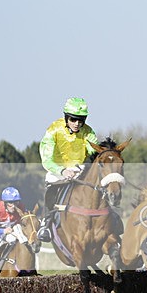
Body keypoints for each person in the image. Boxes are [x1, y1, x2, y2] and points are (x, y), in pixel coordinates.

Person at [37, 97, 99, 241]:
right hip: (57, 171)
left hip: (80, 169)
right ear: (66, 117)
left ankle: (111, 216)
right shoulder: (53, 130)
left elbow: (93, 151)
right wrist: (62, 171)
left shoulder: (88, 132)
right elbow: (47, 160)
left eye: (81, 120)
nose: (77, 124)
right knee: (51, 189)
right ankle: (45, 223)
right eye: (73, 119)